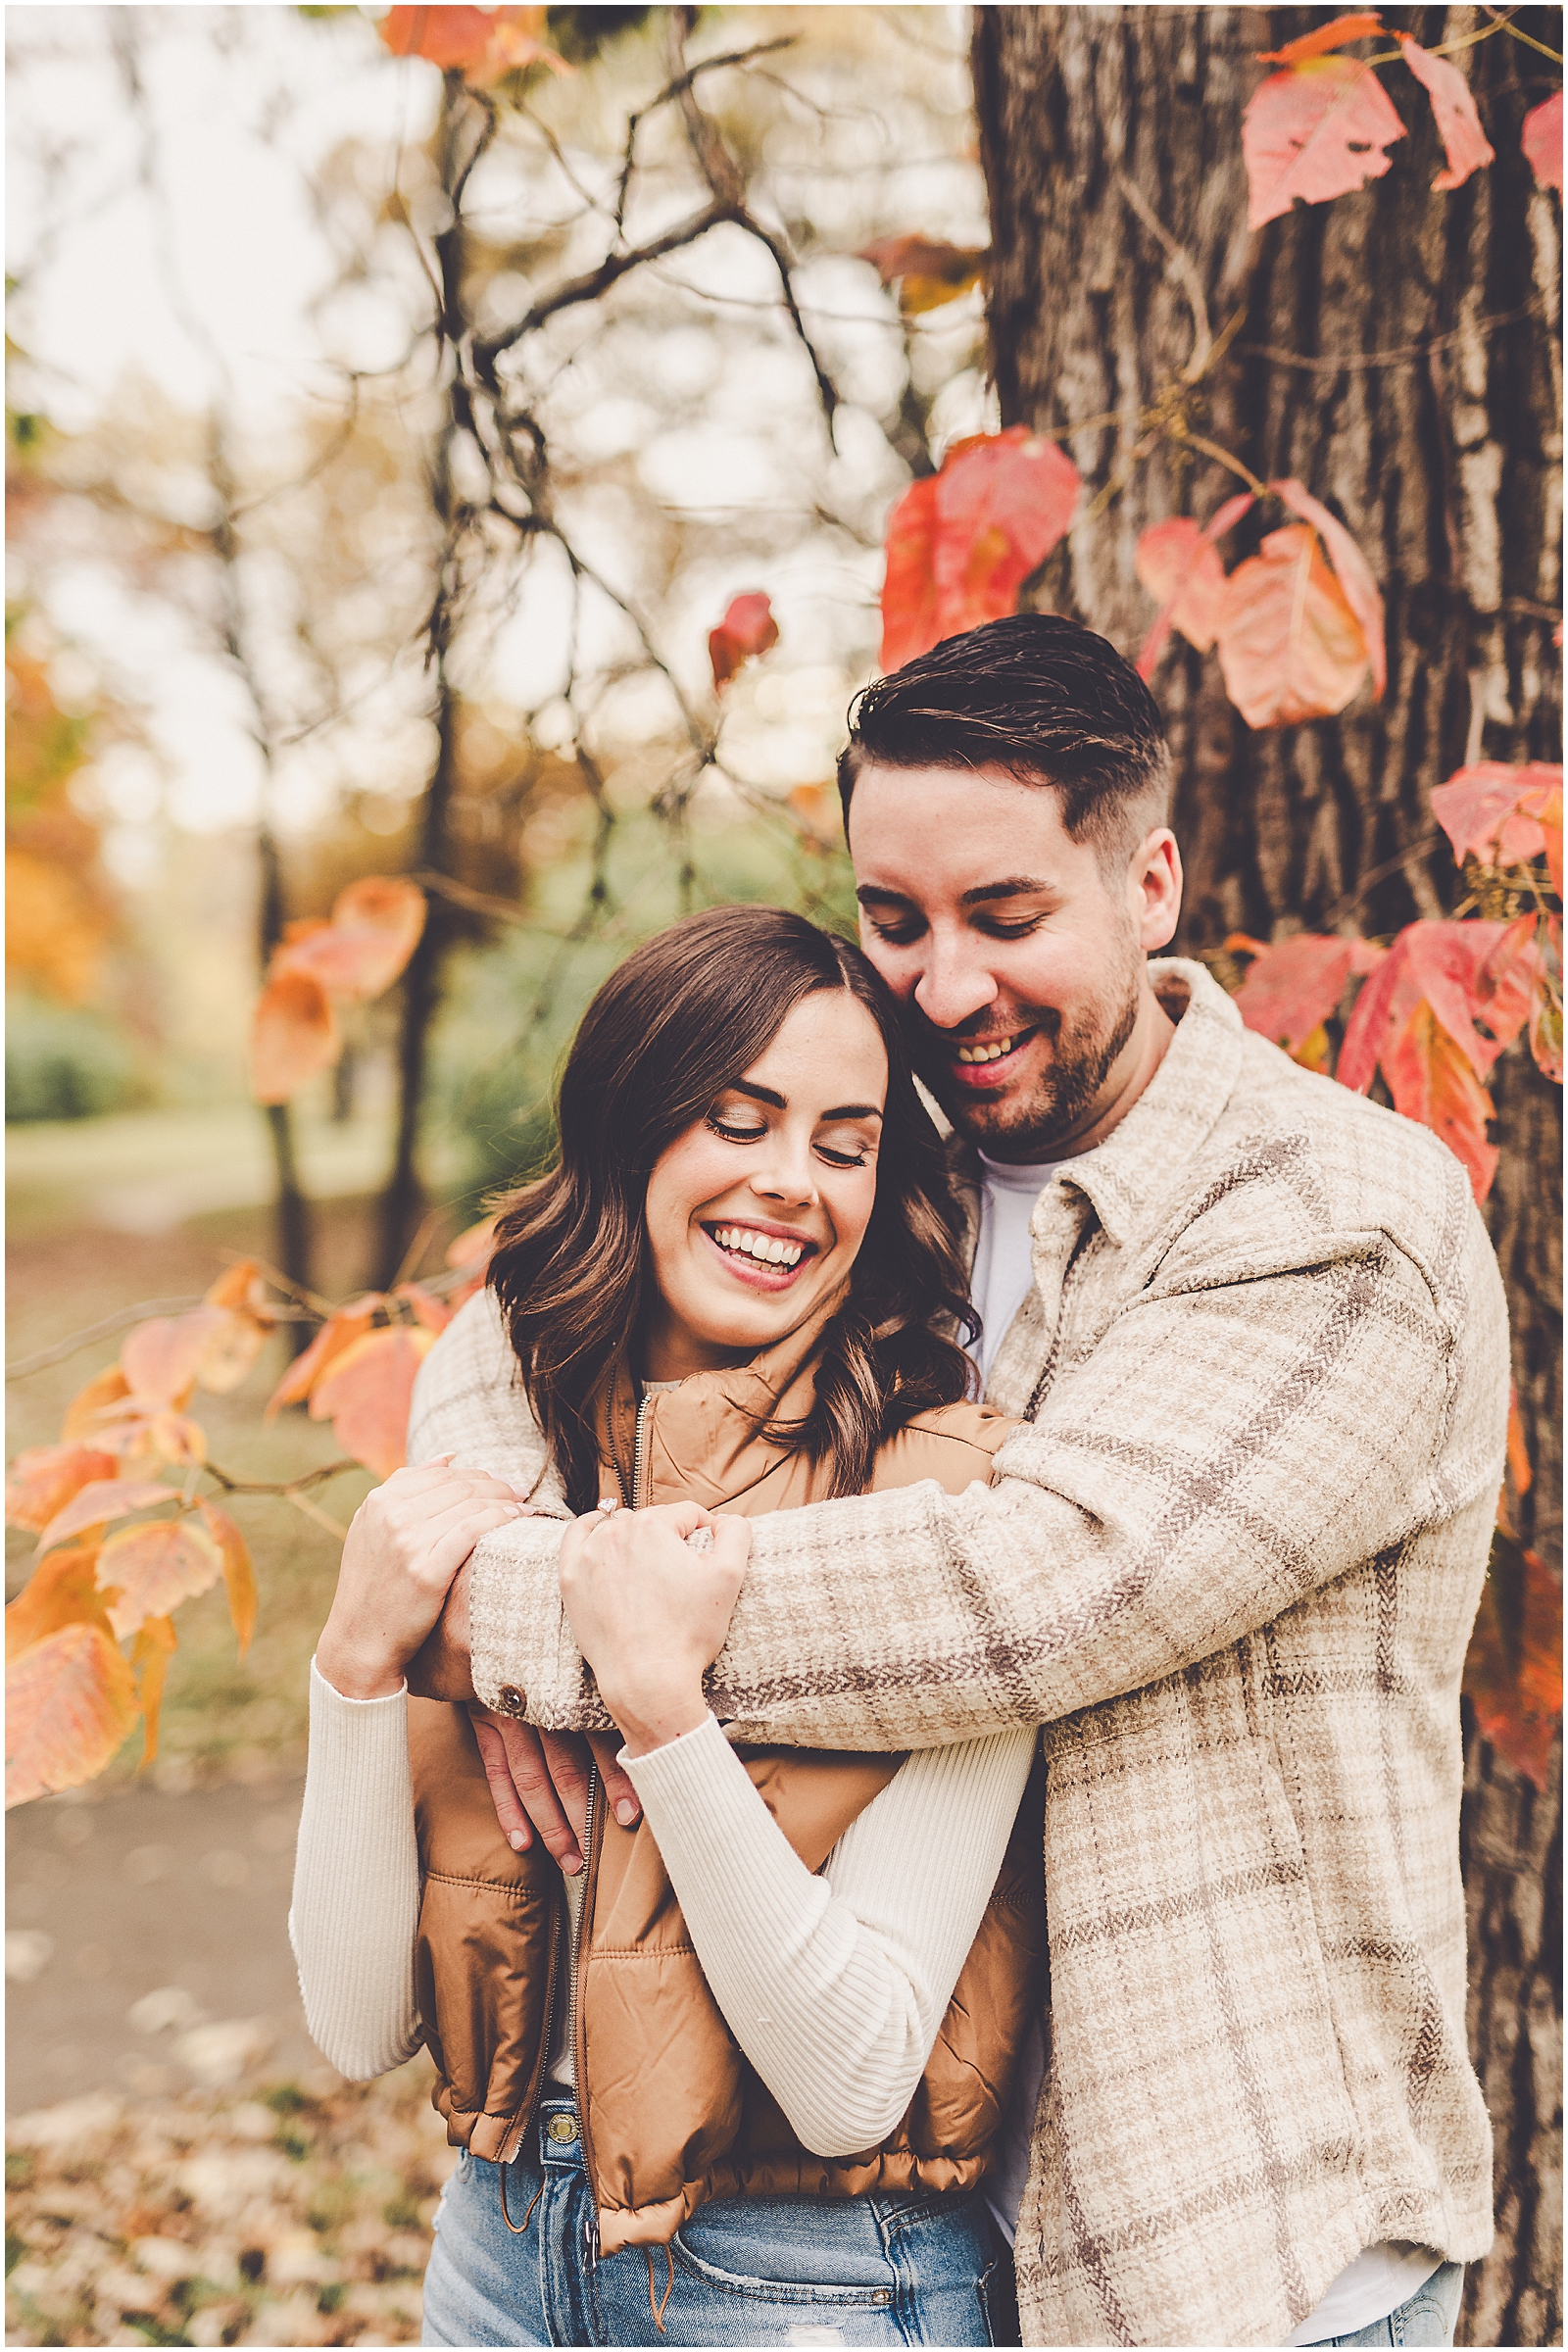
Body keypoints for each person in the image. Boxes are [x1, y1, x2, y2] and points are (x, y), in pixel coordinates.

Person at [412, 614, 1506, 2349]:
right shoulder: (871, 1147)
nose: (940, 987)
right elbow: (539, 1301)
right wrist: (464, 1534)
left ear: (1148, 885)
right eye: (894, 919)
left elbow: (1025, 1592)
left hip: (1223, 2231)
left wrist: (511, 1617)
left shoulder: (1339, 1219)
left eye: (1006, 919)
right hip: (876, 2232)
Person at [290, 905, 1049, 2348]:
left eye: (843, 1143)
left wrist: (665, 1714)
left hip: (813, 2281)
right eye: (736, 1119)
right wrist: (355, 1666)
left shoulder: (945, 1499)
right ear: (636, 1127)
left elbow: (853, 2081)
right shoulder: (498, 1485)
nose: (789, 1185)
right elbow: (356, 2029)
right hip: (499, 2247)